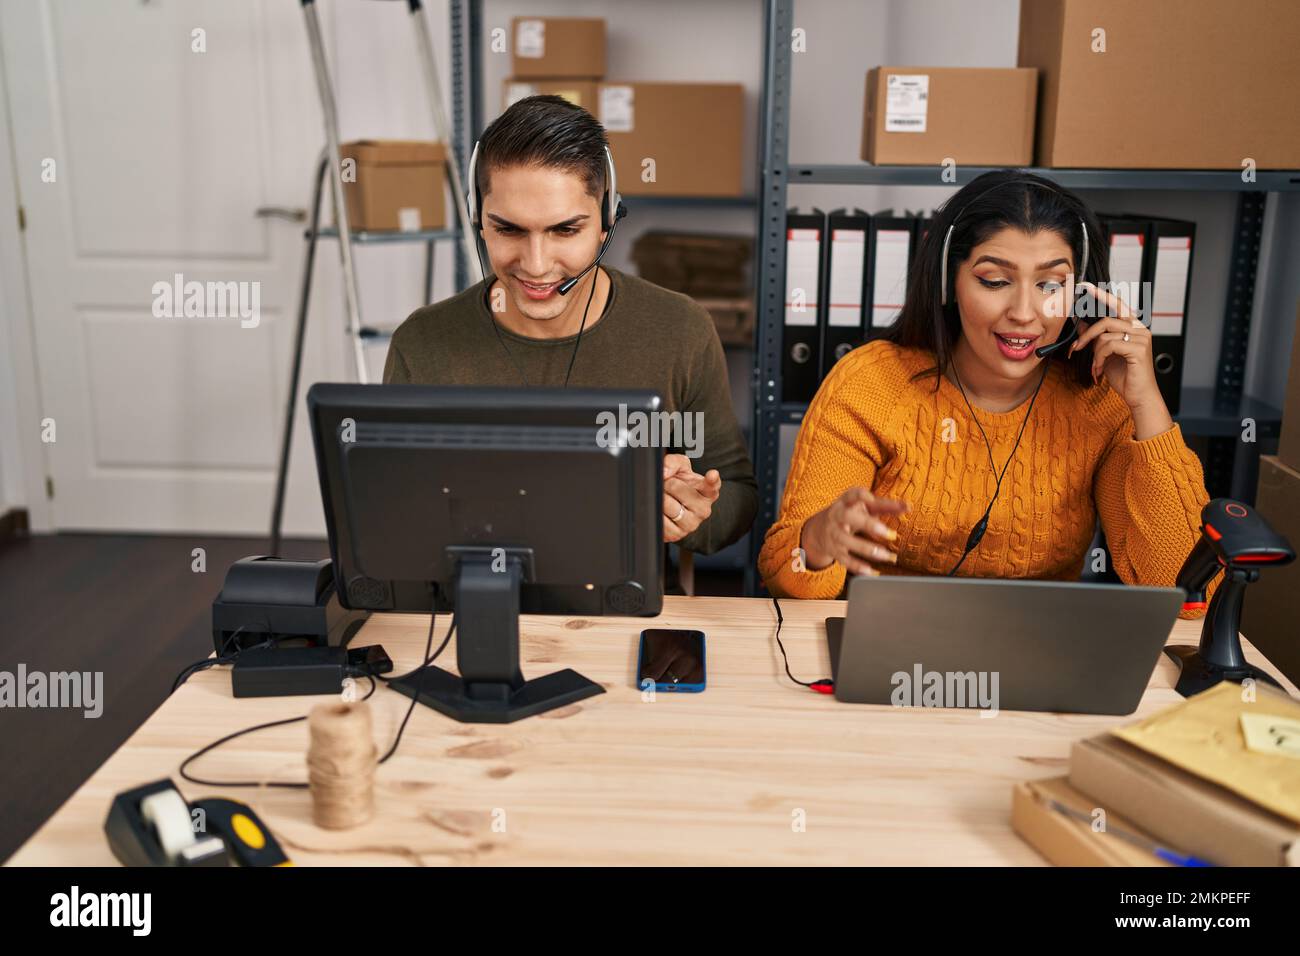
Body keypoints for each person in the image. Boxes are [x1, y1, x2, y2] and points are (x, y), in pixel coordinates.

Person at [759, 169, 1213, 610]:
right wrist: (817, 540)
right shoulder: (871, 383)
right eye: (995, 281)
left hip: (1040, 644)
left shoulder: (1099, 401)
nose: (1024, 312)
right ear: (949, 281)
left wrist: (1146, 405)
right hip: (886, 636)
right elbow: (785, 577)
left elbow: (1189, 594)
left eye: (1051, 285)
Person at [384, 95, 757, 564]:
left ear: (606, 221)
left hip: (617, 602)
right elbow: (389, 510)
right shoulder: (421, 344)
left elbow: (737, 498)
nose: (536, 265)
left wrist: (691, 510)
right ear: (479, 219)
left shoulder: (679, 330)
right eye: (509, 230)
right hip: (462, 596)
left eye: (564, 230)